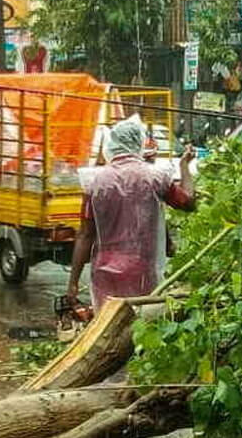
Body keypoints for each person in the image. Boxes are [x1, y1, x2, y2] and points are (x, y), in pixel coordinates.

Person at [66, 118, 196, 310]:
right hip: (142, 269)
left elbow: (85, 235)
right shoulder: (155, 178)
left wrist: (73, 283)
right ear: (139, 144)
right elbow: (188, 203)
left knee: (108, 328)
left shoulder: (95, 182)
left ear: (112, 144)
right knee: (144, 327)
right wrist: (184, 166)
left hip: (104, 272)